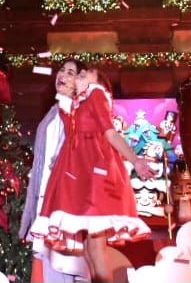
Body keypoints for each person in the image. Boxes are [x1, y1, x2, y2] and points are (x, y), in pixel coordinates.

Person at [31, 63, 153, 283]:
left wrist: (136, 160)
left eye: (85, 74)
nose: (79, 76)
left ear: (97, 83)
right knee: (89, 249)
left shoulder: (96, 95)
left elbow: (110, 134)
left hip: (97, 175)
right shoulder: (75, 105)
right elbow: (71, 137)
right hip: (81, 177)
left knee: (96, 248)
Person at [21, 59, 81, 283]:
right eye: (62, 70)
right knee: (49, 267)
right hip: (44, 201)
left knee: (64, 265)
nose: (63, 75)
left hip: (64, 203)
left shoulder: (77, 113)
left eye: (71, 72)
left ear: (79, 82)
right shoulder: (51, 114)